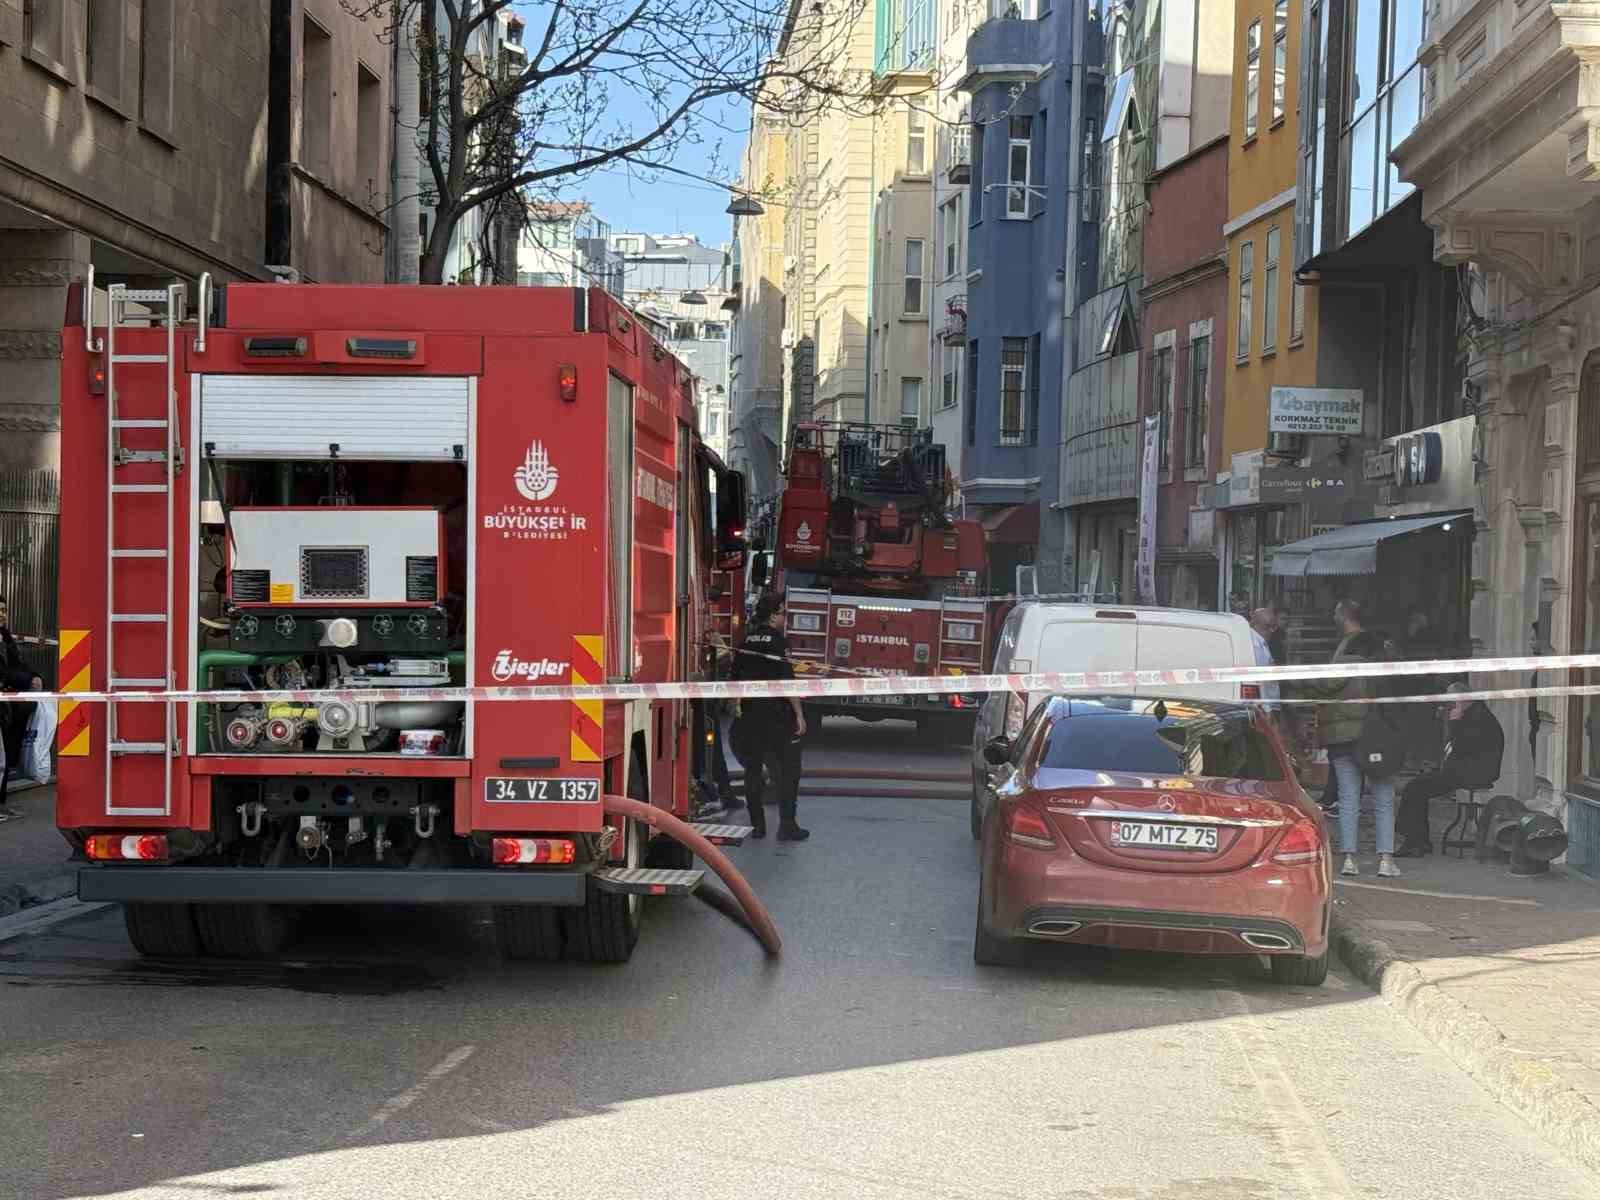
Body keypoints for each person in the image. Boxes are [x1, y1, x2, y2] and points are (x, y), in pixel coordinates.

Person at [1303, 599, 1401, 879]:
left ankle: (1348, 859)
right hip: (1377, 740)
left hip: (1343, 741)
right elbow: (1394, 704)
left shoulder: (1336, 669)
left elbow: (1319, 689)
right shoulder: (1381, 670)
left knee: (1348, 799)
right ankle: (1385, 860)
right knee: (1383, 799)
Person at [1394, 683, 1505, 857]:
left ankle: (1415, 841)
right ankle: (1417, 840)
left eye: (1451, 698)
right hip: (1465, 770)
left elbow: (1461, 747)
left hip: (1472, 773)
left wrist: (1455, 722)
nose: (1449, 702)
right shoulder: (1475, 713)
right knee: (1417, 786)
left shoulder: (1477, 717)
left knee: (1415, 788)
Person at [731, 596, 809, 840]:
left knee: (753, 770)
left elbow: (734, 678)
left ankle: (757, 826)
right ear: (773, 615)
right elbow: (787, 681)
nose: (785, 618)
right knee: (789, 770)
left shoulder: (746, 641)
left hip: (751, 714)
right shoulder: (779, 642)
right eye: (784, 613)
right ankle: (787, 825)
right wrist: (799, 715)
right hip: (777, 716)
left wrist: (737, 708)